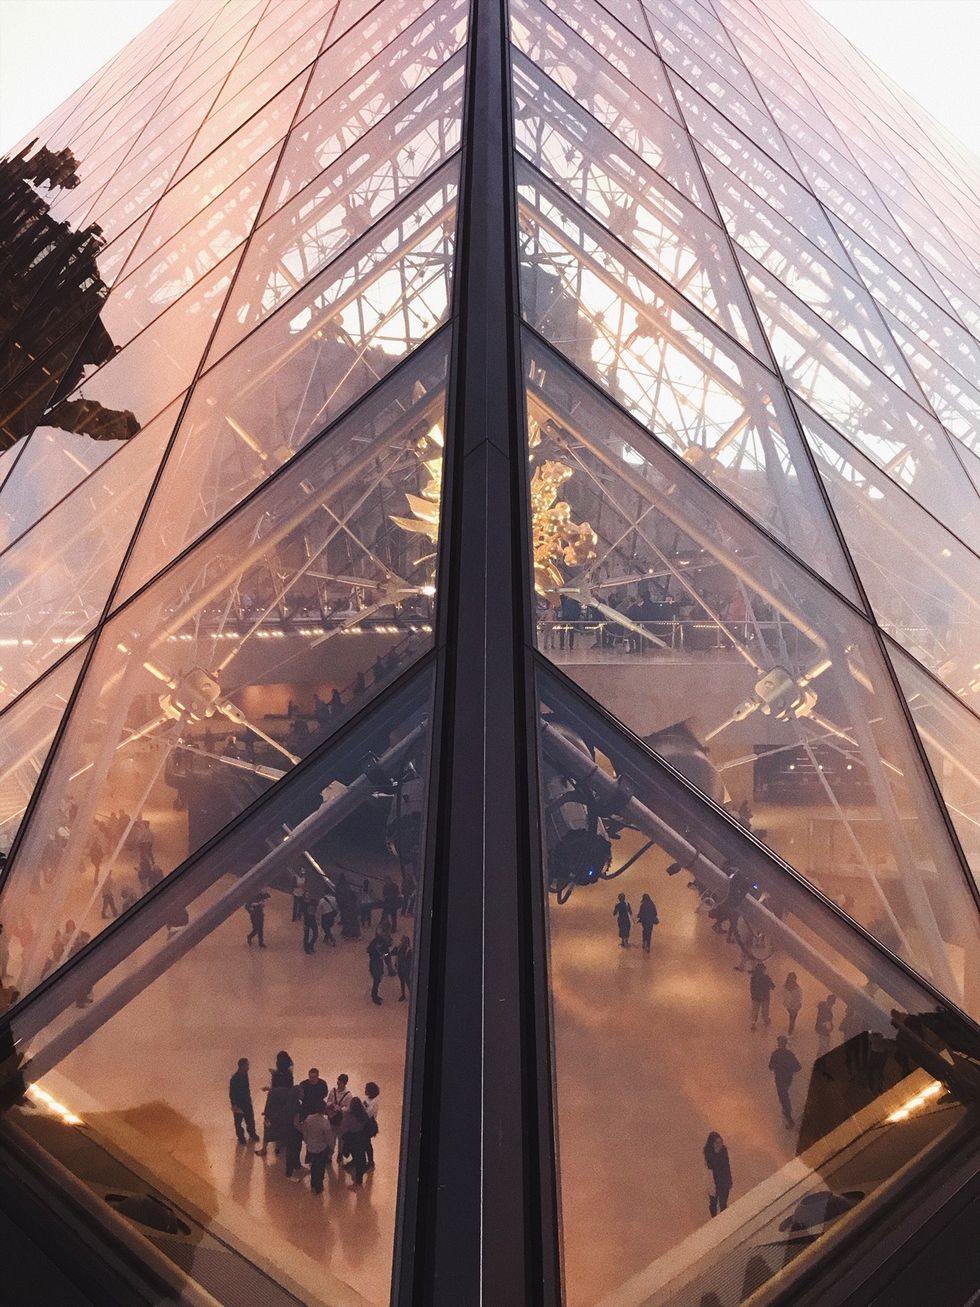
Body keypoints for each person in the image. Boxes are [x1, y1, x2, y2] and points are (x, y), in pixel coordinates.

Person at [768, 1036, 802, 1129]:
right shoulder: (789, 1054)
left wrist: (780, 1067)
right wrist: (789, 1068)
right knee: (784, 1095)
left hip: (780, 1079)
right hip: (787, 1079)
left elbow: (770, 1066)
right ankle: (787, 1113)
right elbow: (798, 1067)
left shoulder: (776, 1054)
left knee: (783, 1097)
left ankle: (789, 1118)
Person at [301, 1103, 335, 1193]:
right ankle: (319, 1186)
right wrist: (331, 1148)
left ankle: (313, 1183)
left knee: (313, 1165)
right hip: (321, 1148)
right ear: (324, 1110)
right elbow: (329, 1137)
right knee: (320, 1167)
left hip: (311, 1147)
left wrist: (307, 1141)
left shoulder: (308, 1118)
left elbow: (304, 1131)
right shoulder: (325, 1122)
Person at [341, 1097, 371, 1188]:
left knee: (358, 1160)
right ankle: (358, 1178)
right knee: (360, 1158)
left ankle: (358, 1182)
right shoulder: (363, 1115)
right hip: (362, 1138)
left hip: (353, 1139)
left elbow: (344, 1127)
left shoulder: (349, 1117)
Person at [229, 1058, 259, 1145]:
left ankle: (252, 1133)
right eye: (247, 1065)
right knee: (238, 1122)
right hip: (239, 1103)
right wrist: (234, 1104)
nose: (248, 1067)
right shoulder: (234, 1078)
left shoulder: (245, 1075)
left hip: (246, 1102)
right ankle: (241, 1137)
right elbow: (232, 1093)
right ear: (242, 1066)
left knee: (250, 1119)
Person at [703, 1132, 732, 1216]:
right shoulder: (708, 1152)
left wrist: (729, 1180)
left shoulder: (724, 1150)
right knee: (713, 1203)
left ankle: (723, 1220)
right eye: (717, 1143)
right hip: (712, 1181)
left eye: (720, 1142)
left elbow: (726, 1166)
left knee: (723, 1204)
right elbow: (710, 1166)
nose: (719, 1144)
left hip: (724, 1181)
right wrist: (716, 1153)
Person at [326, 1073, 353, 1158]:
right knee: (331, 1138)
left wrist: (340, 1109)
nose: (338, 1084)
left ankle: (340, 1153)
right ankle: (330, 1154)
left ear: (345, 1083)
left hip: (342, 1121)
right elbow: (328, 1102)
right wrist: (331, 1105)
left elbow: (349, 1108)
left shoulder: (348, 1095)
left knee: (341, 1139)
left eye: (340, 1083)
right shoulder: (332, 1091)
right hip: (332, 1118)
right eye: (338, 1082)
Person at [749, 963, 775, 1030]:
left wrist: (753, 995)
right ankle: (766, 1021)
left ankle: (753, 1023)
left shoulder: (753, 978)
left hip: (756, 997)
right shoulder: (766, 977)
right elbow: (772, 986)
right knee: (765, 1011)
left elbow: (752, 988)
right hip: (765, 996)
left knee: (755, 1010)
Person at [368, 929, 390, 1005]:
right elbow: (370, 951)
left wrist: (384, 955)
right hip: (375, 963)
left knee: (378, 980)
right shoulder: (374, 942)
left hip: (378, 963)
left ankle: (375, 994)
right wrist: (380, 955)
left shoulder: (383, 942)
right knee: (376, 980)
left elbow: (387, 953)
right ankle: (374, 995)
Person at [363, 1082, 380, 1170]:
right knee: (363, 1142)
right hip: (364, 1122)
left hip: (369, 1124)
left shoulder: (374, 1102)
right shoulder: (368, 1098)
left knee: (366, 1143)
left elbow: (368, 1114)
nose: (365, 1091)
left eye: (366, 1089)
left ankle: (370, 1162)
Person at [815, 994, 837, 1058]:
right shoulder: (826, 1011)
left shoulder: (823, 1006)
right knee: (824, 1046)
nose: (832, 1005)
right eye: (833, 1003)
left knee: (822, 1045)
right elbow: (827, 1023)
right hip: (824, 1030)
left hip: (821, 1029)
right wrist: (829, 1026)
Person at [394, 935, 413, 1001]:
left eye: (403, 941)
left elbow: (409, 961)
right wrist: (385, 955)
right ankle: (403, 995)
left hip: (406, 969)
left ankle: (412, 995)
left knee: (408, 982)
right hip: (400, 967)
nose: (402, 942)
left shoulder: (409, 950)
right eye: (402, 941)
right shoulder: (399, 947)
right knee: (402, 981)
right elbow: (392, 953)